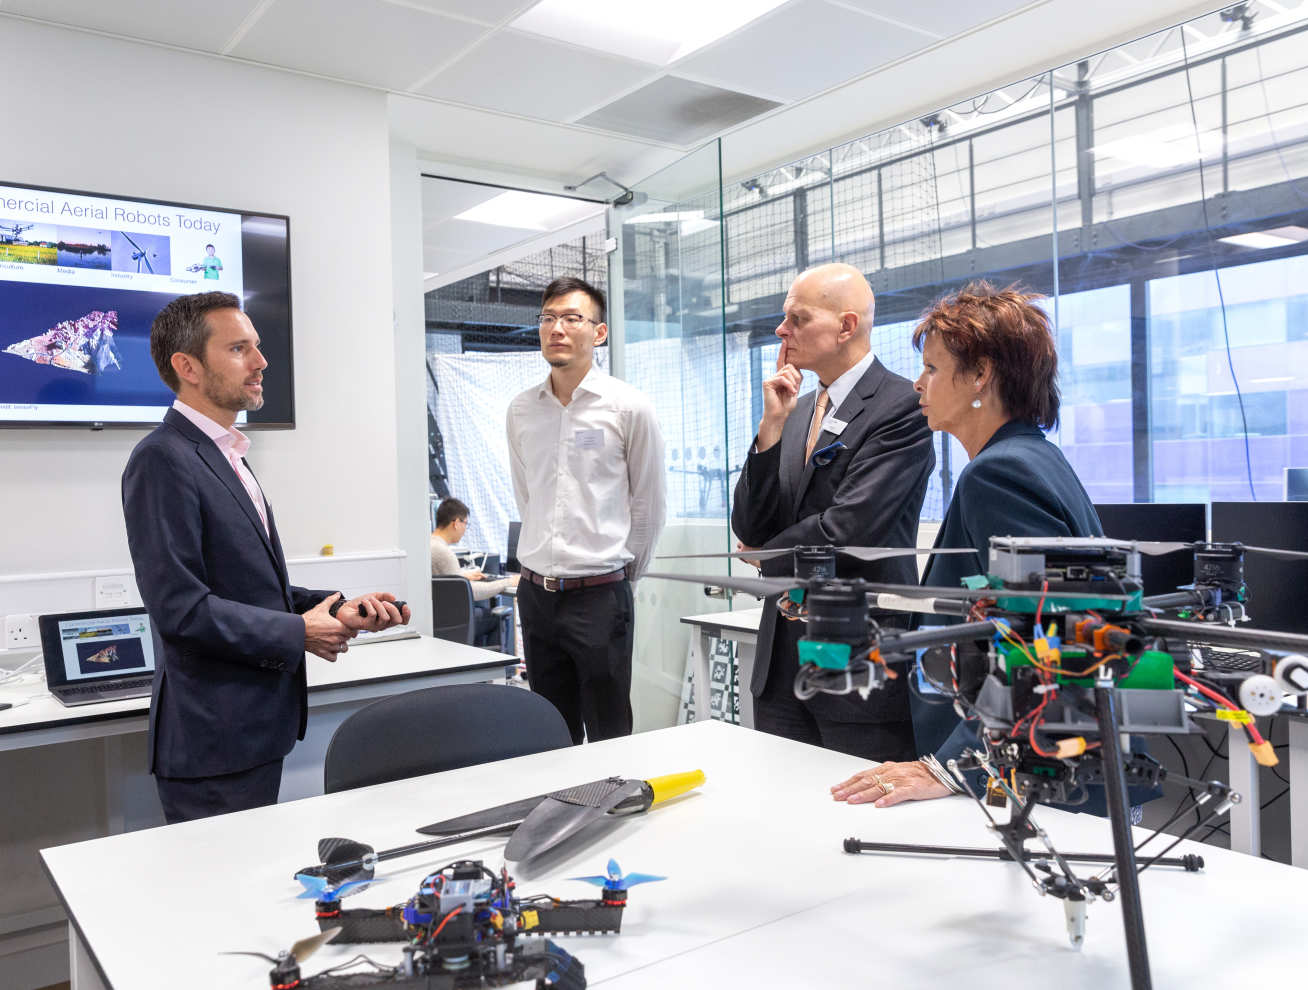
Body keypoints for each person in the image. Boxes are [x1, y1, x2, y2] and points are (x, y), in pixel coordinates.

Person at [121, 290, 410, 824]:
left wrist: (335, 608)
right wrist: (299, 632)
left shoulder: (225, 455)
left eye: (255, 346)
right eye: (238, 349)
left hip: (252, 731)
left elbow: (249, 586)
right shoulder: (162, 459)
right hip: (213, 741)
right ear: (187, 367)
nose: (261, 361)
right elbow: (181, 609)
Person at [831, 281, 1108, 808]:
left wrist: (955, 765)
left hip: (1036, 783)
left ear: (980, 374)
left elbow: (1046, 640)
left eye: (932, 368)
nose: (918, 383)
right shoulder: (1033, 457)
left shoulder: (998, 474)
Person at [731, 263, 934, 762]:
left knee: (857, 804)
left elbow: (850, 527)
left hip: (857, 663)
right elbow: (750, 525)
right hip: (783, 662)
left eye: (797, 319)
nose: (781, 331)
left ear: (846, 326)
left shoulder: (902, 406)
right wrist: (770, 429)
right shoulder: (795, 408)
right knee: (780, 800)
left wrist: (766, 556)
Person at [506, 276, 666, 744]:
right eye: (548, 318)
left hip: (600, 595)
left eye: (572, 318)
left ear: (599, 332)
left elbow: (649, 503)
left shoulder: (628, 407)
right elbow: (527, 496)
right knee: (550, 730)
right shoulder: (521, 409)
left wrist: (620, 576)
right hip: (536, 594)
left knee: (609, 730)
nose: (556, 328)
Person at [430, 496, 518, 646]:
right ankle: (496, 661)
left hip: (438, 617)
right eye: (466, 523)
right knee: (499, 615)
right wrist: (508, 582)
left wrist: (463, 576)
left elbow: (445, 581)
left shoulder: (430, 544)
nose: (465, 529)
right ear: (456, 523)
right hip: (450, 620)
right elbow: (472, 593)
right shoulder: (443, 552)